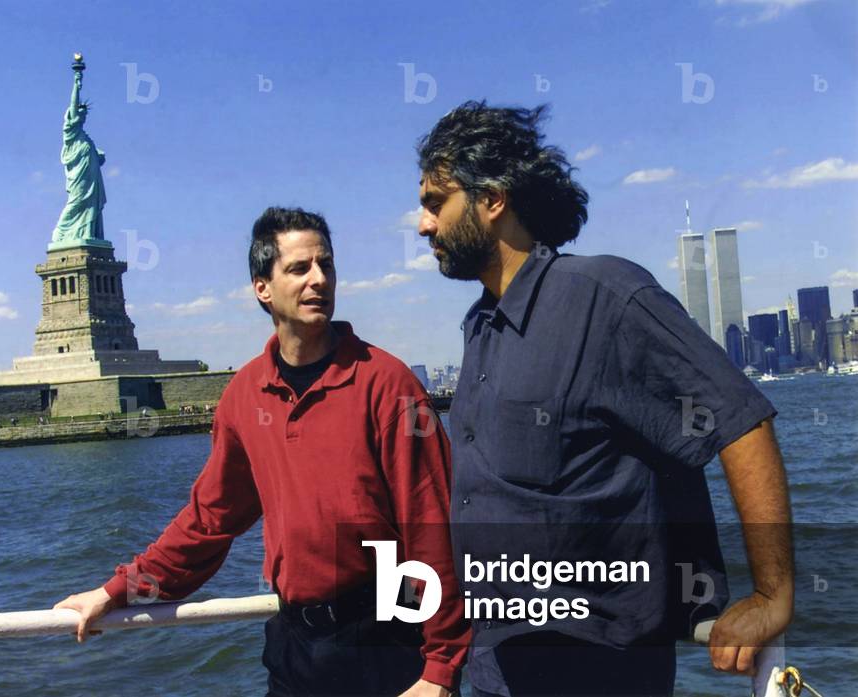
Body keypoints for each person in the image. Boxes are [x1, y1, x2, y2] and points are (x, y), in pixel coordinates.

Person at [413, 101, 793, 696]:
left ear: (492, 200)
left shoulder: (608, 295)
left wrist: (772, 594)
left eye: (436, 202)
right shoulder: (479, 324)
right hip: (492, 661)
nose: (423, 225)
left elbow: (741, 420)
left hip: (596, 667)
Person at [55, 207, 470, 696]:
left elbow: (432, 525)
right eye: (300, 268)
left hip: (386, 641)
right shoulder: (245, 395)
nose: (319, 279)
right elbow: (209, 522)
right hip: (295, 646)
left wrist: (441, 668)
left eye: (327, 265)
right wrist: (117, 590)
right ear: (262, 288)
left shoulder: (387, 384)